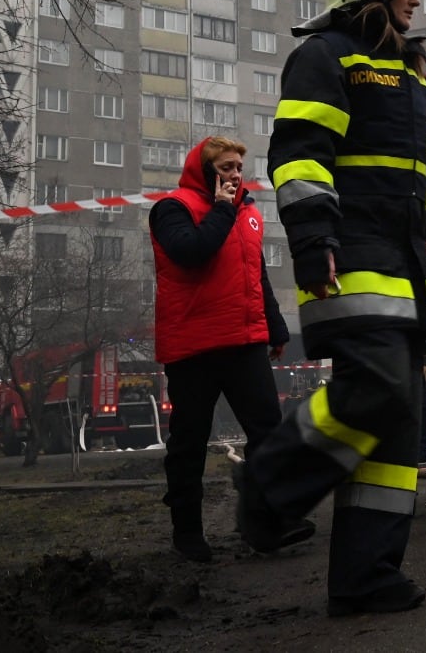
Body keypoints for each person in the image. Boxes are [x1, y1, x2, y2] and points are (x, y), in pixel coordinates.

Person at [239, 0, 426, 616]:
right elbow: (299, 155)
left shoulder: (410, 80)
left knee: (398, 430)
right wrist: (313, 237)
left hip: (407, 275)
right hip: (349, 262)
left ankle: (365, 578)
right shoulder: (324, 57)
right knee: (375, 389)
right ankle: (268, 485)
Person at [149, 136, 307, 562]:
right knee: (190, 443)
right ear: (205, 171)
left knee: (269, 430)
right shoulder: (173, 208)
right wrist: (221, 209)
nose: (236, 174)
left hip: (244, 342)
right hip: (194, 347)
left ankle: (267, 522)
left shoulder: (249, 213)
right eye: (226, 168)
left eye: (239, 166)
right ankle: (188, 532)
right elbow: (191, 253)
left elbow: (255, 274)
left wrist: (274, 327)